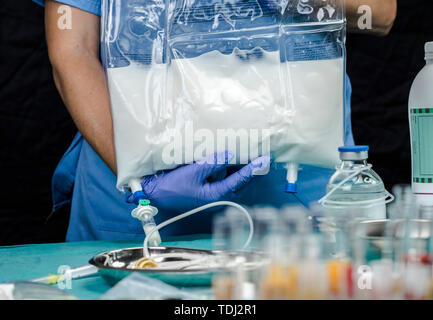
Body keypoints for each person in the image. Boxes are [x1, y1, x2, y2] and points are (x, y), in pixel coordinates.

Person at [33, 0, 396, 241]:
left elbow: (377, 11)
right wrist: (138, 176)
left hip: (295, 185)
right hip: (134, 190)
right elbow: (72, 48)